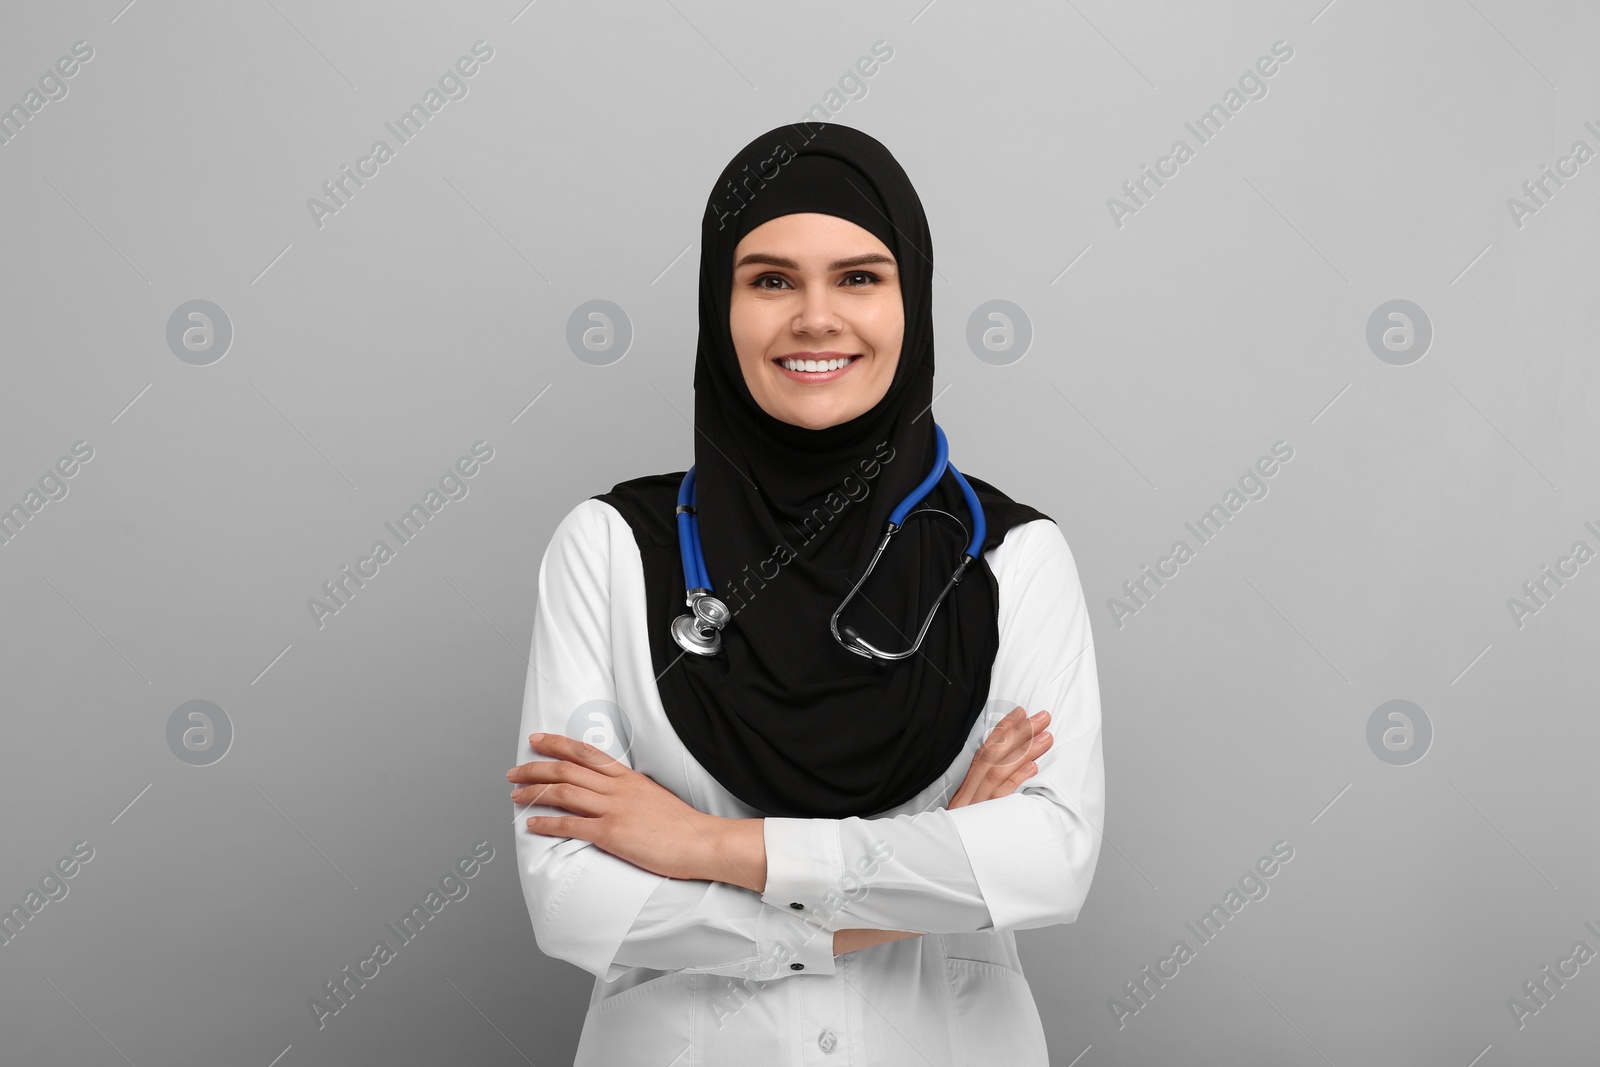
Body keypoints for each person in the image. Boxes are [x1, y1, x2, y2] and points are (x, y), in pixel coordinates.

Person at [506, 121, 1105, 1065]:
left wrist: (707, 846)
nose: (816, 318)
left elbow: (1049, 858)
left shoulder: (1011, 556)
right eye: (771, 279)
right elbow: (572, 898)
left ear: (914, 300)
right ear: (719, 302)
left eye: (860, 277)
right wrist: (937, 859)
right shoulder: (613, 548)